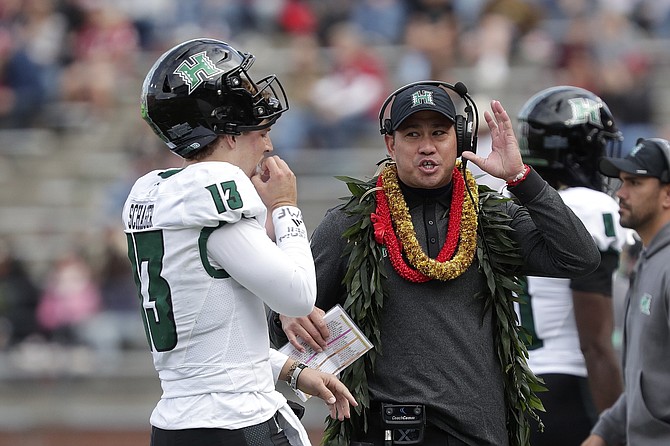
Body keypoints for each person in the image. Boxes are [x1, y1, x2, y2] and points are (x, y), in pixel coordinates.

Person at [268, 80, 601, 446]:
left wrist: (521, 179)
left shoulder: (491, 217)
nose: (427, 146)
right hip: (385, 432)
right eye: (412, 134)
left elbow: (580, 258)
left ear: (459, 140)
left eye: (439, 133)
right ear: (390, 144)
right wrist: (289, 311)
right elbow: (284, 322)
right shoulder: (350, 222)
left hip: (478, 434)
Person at [124, 38, 357, 446]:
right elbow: (300, 296)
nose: (268, 145)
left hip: (177, 425)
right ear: (225, 130)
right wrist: (285, 207)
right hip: (234, 424)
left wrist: (293, 371)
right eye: (262, 132)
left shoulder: (155, 192)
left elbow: (215, 346)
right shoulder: (214, 190)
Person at [515, 86, 626, 445]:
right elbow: (594, 342)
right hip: (572, 386)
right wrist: (613, 431)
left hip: (520, 388)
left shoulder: (513, 206)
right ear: (583, 148)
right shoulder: (590, 207)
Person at [582, 137, 670, 446]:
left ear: (667, 194)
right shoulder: (648, 259)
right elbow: (645, 382)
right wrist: (604, 432)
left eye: (634, 182)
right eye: (621, 182)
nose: (621, 193)